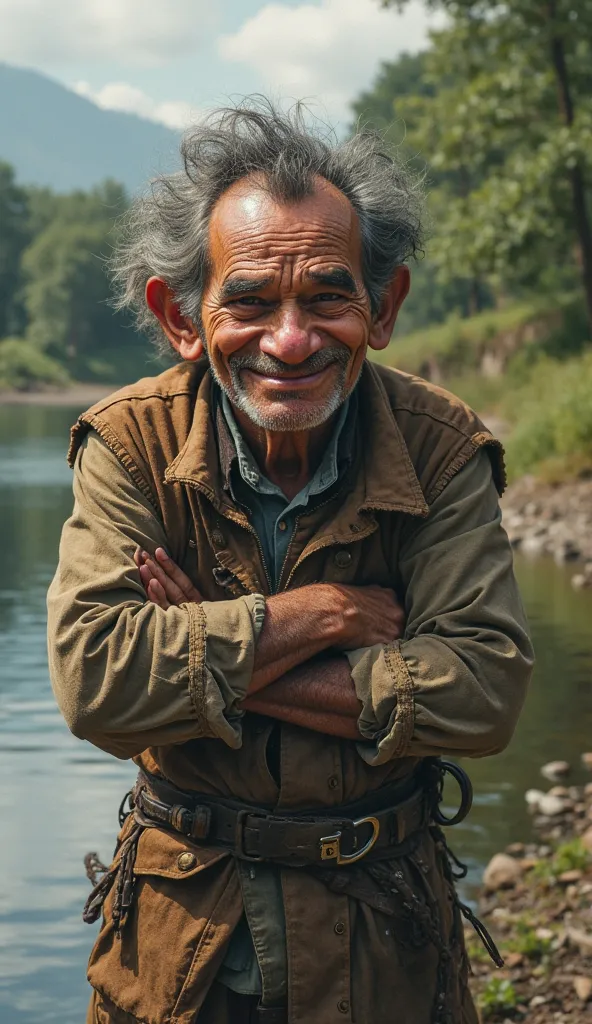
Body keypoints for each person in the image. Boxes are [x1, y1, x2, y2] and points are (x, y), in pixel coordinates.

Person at [47, 100, 534, 1024]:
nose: (290, 339)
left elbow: (485, 689)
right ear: (181, 316)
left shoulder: (439, 448)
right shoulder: (130, 444)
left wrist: (207, 656)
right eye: (250, 300)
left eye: (326, 296)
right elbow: (96, 682)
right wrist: (323, 613)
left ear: (381, 308)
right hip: (178, 950)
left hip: (386, 941)